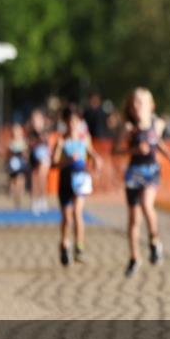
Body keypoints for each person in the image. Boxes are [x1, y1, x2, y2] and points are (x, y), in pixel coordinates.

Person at [114, 88, 170, 278]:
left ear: (151, 106)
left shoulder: (157, 124)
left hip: (151, 171)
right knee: (134, 219)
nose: (136, 106)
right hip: (134, 173)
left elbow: (158, 143)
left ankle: (154, 241)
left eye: (140, 102)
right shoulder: (127, 128)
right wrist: (134, 150)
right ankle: (134, 257)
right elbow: (115, 151)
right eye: (133, 102)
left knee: (147, 204)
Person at [52, 106, 102, 266]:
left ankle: (79, 248)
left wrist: (96, 160)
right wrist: (67, 160)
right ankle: (64, 244)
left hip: (80, 179)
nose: (73, 124)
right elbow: (54, 163)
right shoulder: (61, 140)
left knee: (77, 213)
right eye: (69, 121)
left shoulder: (84, 138)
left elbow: (92, 153)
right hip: (65, 180)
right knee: (67, 217)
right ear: (65, 122)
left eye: (76, 121)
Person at [27, 109, 52, 215]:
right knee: (34, 178)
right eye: (34, 119)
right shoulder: (31, 132)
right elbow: (30, 144)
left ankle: (43, 199)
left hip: (44, 156)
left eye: (38, 119)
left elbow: (48, 142)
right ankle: (34, 201)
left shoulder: (45, 131)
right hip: (34, 156)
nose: (36, 121)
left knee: (42, 178)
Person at [6, 123, 30, 209]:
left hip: (21, 165)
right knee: (13, 181)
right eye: (15, 131)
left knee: (21, 180)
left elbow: (26, 154)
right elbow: (8, 155)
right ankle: (14, 195)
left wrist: (25, 156)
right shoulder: (11, 142)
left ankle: (19, 197)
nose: (16, 133)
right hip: (13, 165)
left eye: (18, 131)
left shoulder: (23, 142)